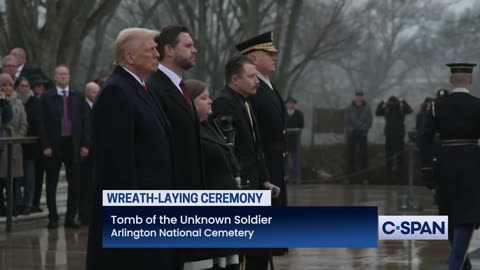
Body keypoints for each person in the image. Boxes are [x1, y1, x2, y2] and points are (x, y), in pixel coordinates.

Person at [86, 28, 176, 270]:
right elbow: (116, 165)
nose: (158, 54)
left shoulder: (140, 87)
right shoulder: (116, 91)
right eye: (151, 49)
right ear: (130, 57)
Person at [212, 55, 280, 270]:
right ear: (234, 79)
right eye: (251, 77)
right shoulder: (224, 103)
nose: (257, 81)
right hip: (241, 189)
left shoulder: (245, 102)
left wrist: (265, 180)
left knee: (260, 250)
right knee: (246, 254)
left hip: (255, 185)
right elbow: (231, 153)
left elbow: (256, 149)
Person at [419, 63, 480, 270]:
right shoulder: (478, 105)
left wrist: (427, 168)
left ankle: (460, 265)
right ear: (470, 81)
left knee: (449, 215)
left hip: (445, 164)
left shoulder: (437, 105)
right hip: (472, 164)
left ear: (451, 81)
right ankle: (459, 265)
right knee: (466, 217)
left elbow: (424, 137)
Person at [185, 79, 240, 270]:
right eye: (203, 98)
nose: (210, 102)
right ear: (189, 102)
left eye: (209, 97)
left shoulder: (210, 126)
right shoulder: (190, 131)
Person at [146, 25, 205, 192]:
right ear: (169, 50)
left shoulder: (180, 85)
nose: (194, 50)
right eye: (188, 46)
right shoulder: (154, 87)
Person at [236, 31, 287, 208]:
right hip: (264, 162)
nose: (275, 57)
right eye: (270, 54)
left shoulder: (267, 83)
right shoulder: (251, 88)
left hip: (274, 161)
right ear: (253, 58)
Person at [38, 65, 90, 229]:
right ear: (54, 77)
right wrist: (45, 145)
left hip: (73, 144)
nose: (63, 77)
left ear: (69, 76)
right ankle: (53, 217)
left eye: (66, 74)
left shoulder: (78, 95)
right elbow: (41, 123)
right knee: (52, 183)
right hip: (54, 145)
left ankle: (71, 217)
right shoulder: (47, 97)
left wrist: (85, 144)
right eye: (60, 74)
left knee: (75, 184)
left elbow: (86, 121)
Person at [0, 73, 28, 216]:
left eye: (10, 85)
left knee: (14, 179)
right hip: (2, 142)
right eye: (4, 85)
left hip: (15, 144)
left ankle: (13, 206)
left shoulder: (18, 101)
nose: (7, 88)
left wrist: (18, 138)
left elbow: (24, 123)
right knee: (2, 178)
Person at [15, 77, 41, 215]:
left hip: (31, 147)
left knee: (30, 178)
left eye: (27, 86)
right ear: (18, 87)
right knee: (17, 178)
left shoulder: (35, 102)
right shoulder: (14, 101)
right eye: (22, 86)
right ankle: (18, 203)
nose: (25, 88)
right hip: (17, 147)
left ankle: (28, 204)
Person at [375, 96, 413, 183]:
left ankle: (394, 179)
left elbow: (410, 110)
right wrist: (403, 101)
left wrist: (382, 102)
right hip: (393, 136)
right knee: (394, 159)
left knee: (394, 159)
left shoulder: (396, 108)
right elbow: (377, 113)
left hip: (395, 136)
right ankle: (394, 179)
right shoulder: (396, 108)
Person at [78, 82, 99, 225]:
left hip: (97, 151)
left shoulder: (100, 106)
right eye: (93, 92)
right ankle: (83, 214)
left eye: (98, 91)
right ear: (86, 92)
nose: (96, 95)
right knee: (83, 184)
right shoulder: (81, 107)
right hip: (84, 151)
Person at [29, 74, 49, 213]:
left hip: (43, 144)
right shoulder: (30, 101)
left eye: (42, 86)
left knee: (39, 176)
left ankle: (35, 202)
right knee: (30, 177)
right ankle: (28, 203)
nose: (40, 88)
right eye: (37, 86)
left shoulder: (46, 101)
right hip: (31, 144)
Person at [344, 91, 373, 183]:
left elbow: (369, 121)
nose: (359, 98)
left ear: (362, 97)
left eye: (360, 96)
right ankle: (347, 177)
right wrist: (353, 129)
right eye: (357, 96)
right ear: (355, 97)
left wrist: (362, 128)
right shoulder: (349, 108)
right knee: (350, 156)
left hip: (362, 134)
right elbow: (347, 121)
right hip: (352, 134)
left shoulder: (367, 108)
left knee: (363, 157)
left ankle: (365, 178)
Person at [285, 96, 304, 184]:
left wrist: (293, 130)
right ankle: (285, 178)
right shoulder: (283, 113)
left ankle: (296, 179)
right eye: (289, 103)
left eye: (292, 103)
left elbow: (301, 127)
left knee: (296, 160)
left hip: (295, 140)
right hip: (285, 140)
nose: (291, 104)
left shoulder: (299, 114)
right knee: (284, 160)